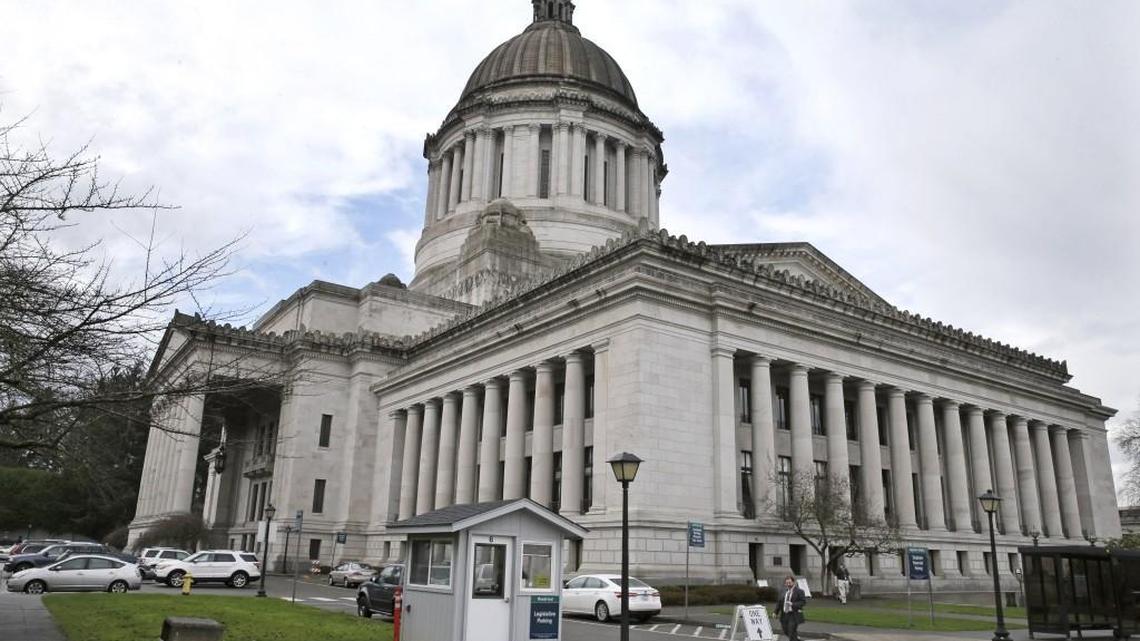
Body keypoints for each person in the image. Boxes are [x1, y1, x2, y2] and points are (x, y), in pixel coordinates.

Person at [777, 574, 806, 641]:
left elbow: (803, 602)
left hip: (794, 614)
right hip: (784, 614)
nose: (788, 584)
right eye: (787, 583)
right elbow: (779, 602)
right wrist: (775, 612)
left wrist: (792, 604)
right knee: (786, 630)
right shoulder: (783, 591)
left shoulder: (799, 591)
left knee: (791, 631)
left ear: (793, 582)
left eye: (790, 582)